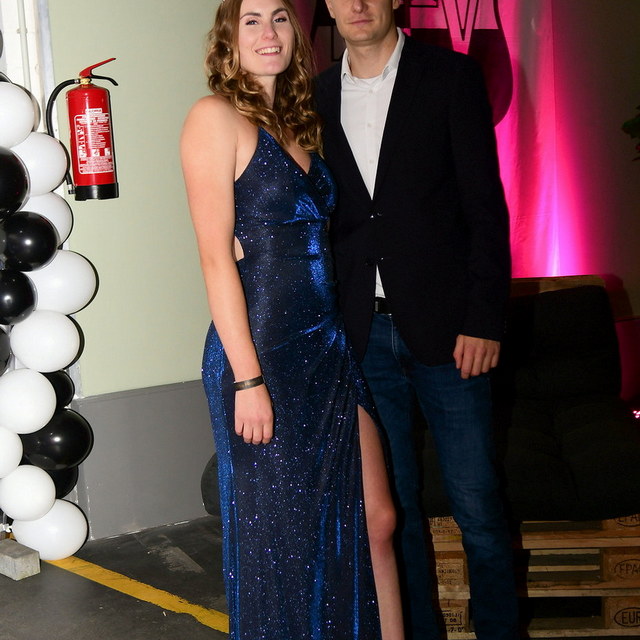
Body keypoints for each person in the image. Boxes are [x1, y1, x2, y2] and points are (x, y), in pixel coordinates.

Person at [180, 1, 405, 638]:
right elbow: (215, 259)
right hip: (262, 354)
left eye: (279, 18)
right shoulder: (213, 117)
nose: (268, 33)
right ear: (228, 39)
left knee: (377, 520)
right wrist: (249, 380)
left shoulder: (298, 123)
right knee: (282, 542)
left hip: (327, 349)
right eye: (251, 20)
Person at [315, 1, 519, 639]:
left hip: (453, 332)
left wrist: (485, 318)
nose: (357, 4)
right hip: (361, 335)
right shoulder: (313, 96)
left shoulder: (450, 77)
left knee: (478, 506)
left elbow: (485, 206)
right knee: (391, 511)